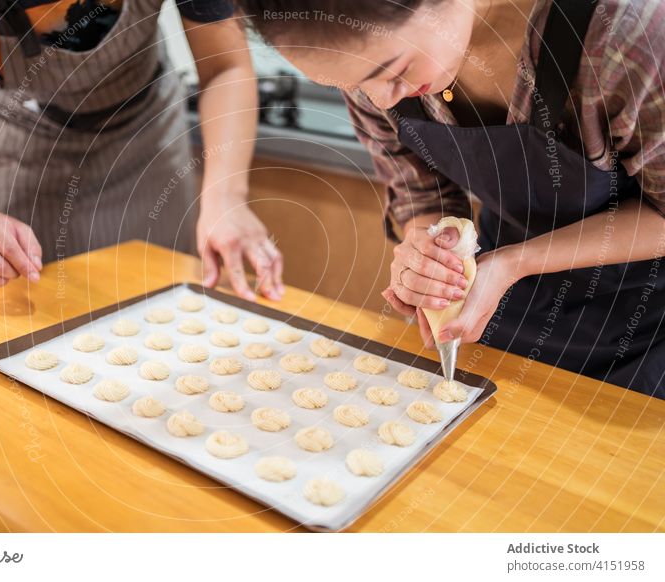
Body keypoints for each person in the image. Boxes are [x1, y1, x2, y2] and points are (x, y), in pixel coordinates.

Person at [234, 0, 665, 398]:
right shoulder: (373, 72)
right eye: (351, 84)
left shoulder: (626, 36)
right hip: (508, 302)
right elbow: (422, 192)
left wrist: (518, 261)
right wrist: (428, 251)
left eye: (391, 68)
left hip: (645, 324)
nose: (382, 99)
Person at [0, 0, 284, 301]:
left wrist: (225, 198)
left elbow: (225, 66)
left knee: (167, 308)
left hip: (147, 137)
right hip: (23, 148)